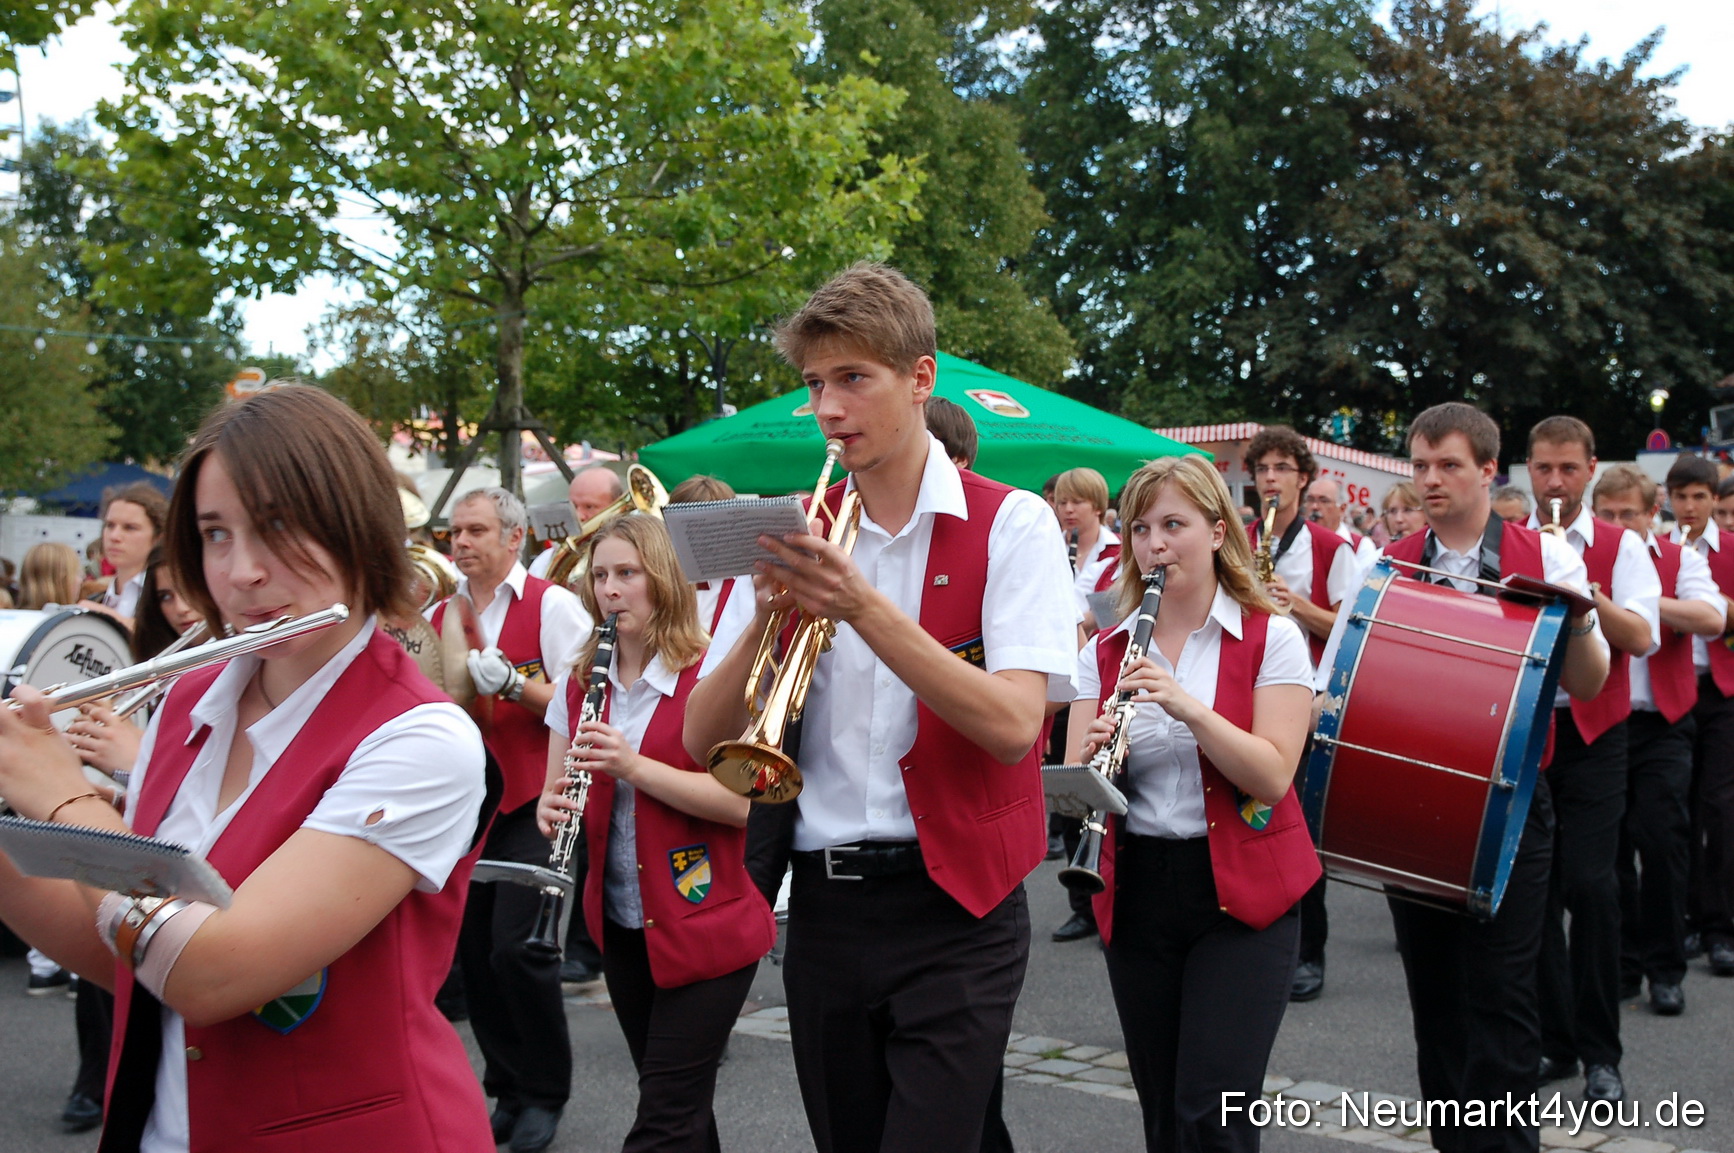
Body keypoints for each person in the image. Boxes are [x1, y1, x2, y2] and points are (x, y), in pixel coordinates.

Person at [0, 383, 495, 1152]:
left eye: (276, 526)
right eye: (215, 534)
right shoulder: (189, 700)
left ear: (355, 527)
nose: (242, 572)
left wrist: (62, 797)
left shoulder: (424, 739)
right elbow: (126, 944)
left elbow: (209, 973)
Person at [682, 263, 1078, 1153]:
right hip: (823, 907)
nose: (827, 407)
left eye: (853, 378)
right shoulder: (800, 527)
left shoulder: (1012, 524)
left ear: (921, 378)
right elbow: (700, 736)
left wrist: (860, 605)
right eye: (815, 384)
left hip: (958, 910)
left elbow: (1017, 725)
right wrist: (764, 620)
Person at [1318, 402, 1608, 1153]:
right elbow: (1339, 677)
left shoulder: (1545, 554)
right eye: (1419, 465)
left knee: (1504, 1002)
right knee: (1437, 1002)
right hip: (1409, 803)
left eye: (1448, 464)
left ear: (1488, 468)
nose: (1430, 479)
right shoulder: (1383, 561)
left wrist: (1576, 618)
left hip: (1511, 810)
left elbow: (1594, 679)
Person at [1068, 455, 1316, 1152]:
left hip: (1243, 893)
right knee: (1164, 1112)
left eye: (1173, 524)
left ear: (1216, 531)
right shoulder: (1107, 649)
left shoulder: (1273, 636)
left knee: (1214, 1111)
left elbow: (1271, 775)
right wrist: (1089, 757)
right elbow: (1078, 788)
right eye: (1139, 528)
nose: (1155, 544)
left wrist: (1186, 706)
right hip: (1139, 883)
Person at [539, 515, 774, 1152]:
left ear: (663, 580)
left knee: (664, 1117)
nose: (610, 590)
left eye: (626, 574)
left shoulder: (711, 677)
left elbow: (738, 806)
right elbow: (554, 787)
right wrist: (552, 807)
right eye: (600, 577)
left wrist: (632, 766)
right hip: (621, 924)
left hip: (707, 927)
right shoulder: (579, 682)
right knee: (680, 1105)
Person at [433, 486, 588, 1153]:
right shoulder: (441, 612)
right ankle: (508, 1088)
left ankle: (545, 1091)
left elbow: (589, 698)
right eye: (454, 532)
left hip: (535, 798)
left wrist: (517, 686)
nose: (460, 542)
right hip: (466, 806)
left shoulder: (552, 605)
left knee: (517, 949)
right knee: (472, 954)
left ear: (513, 537)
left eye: (474, 530)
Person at [1522, 417, 1659, 1104]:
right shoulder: (1509, 537)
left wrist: (1580, 586)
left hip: (1596, 729)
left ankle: (1603, 1053)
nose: (1554, 482)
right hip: (1523, 729)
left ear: (1592, 469)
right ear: (1527, 470)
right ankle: (1556, 1040)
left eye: (1568, 469)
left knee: (1591, 886)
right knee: (1533, 895)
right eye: (1543, 469)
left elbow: (1643, 635)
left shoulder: (1620, 544)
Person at [1592, 466, 1724, 1018]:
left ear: (1652, 516)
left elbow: (1714, 617)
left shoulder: (1678, 559)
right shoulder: (1580, 557)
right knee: (1610, 852)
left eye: (1630, 514)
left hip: (1663, 722)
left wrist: (1641, 603)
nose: (1619, 524)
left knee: (1665, 843)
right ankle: (1622, 964)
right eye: (1609, 514)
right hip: (1602, 719)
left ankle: (1665, 968)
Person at [1243, 427, 1354, 1004]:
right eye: (1263, 469)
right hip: (1245, 696)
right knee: (1249, 823)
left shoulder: (1334, 549)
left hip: (1308, 705)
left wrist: (1298, 606)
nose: (1270, 479)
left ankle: (1311, 951)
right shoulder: (1238, 537)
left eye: (1283, 468)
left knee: (1300, 831)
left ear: (1303, 478)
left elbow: (1355, 633)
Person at [1665, 455, 1734, 979]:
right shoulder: (1653, 548)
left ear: (1714, 500)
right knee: (1676, 811)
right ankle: (1684, 917)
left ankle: (1721, 926)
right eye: (1680, 497)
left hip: (1723, 691)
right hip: (1672, 690)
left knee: (1720, 808)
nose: (1688, 508)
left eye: (1698, 498)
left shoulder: (1730, 550)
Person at [79, 482, 169, 628]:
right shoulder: (97, 598)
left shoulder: (170, 597)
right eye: (110, 525)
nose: (114, 536)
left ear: (158, 537)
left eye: (130, 528)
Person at [528, 465, 627, 580]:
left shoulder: (631, 557)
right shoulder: (545, 560)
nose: (578, 515)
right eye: (573, 506)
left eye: (589, 507)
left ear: (615, 506)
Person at [1055, 467, 1122, 629]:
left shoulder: (1121, 550)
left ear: (1098, 506)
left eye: (1077, 502)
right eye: (1062, 503)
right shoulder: (1046, 549)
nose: (1068, 509)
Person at [1304, 476, 1377, 566]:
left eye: (1324, 501)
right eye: (1310, 500)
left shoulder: (1361, 547)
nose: (1314, 506)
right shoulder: (1296, 536)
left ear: (1342, 508)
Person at [17, 541, 83, 610]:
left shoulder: (14, 617)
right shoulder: (80, 618)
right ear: (61, 579)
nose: (80, 580)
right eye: (77, 573)